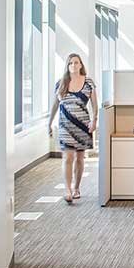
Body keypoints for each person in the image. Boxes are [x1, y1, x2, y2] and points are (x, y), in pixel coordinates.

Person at [48, 53, 98, 203]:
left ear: (81, 65)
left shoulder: (88, 82)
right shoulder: (61, 83)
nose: (74, 66)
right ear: (67, 66)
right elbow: (55, 105)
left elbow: (95, 104)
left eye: (76, 63)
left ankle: (76, 187)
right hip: (65, 125)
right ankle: (68, 189)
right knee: (68, 157)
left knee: (80, 158)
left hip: (83, 125)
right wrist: (49, 123)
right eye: (70, 63)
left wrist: (94, 120)